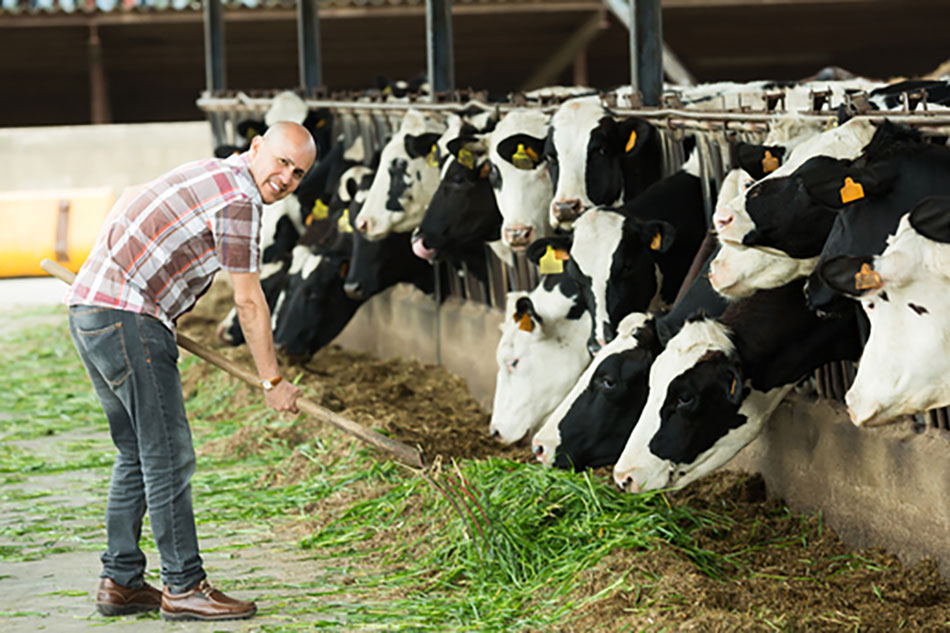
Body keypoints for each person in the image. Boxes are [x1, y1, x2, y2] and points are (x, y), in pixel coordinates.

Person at [63, 121, 315, 621]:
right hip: (126, 316)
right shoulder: (241, 201)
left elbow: (133, 202)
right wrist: (272, 381)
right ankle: (183, 585)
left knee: (136, 452)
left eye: (299, 173)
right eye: (282, 162)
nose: (287, 178)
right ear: (257, 146)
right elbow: (248, 301)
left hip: (91, 309)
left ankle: (121, 581)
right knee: (169, 456)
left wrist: (140, 294)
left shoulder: (211, 172)